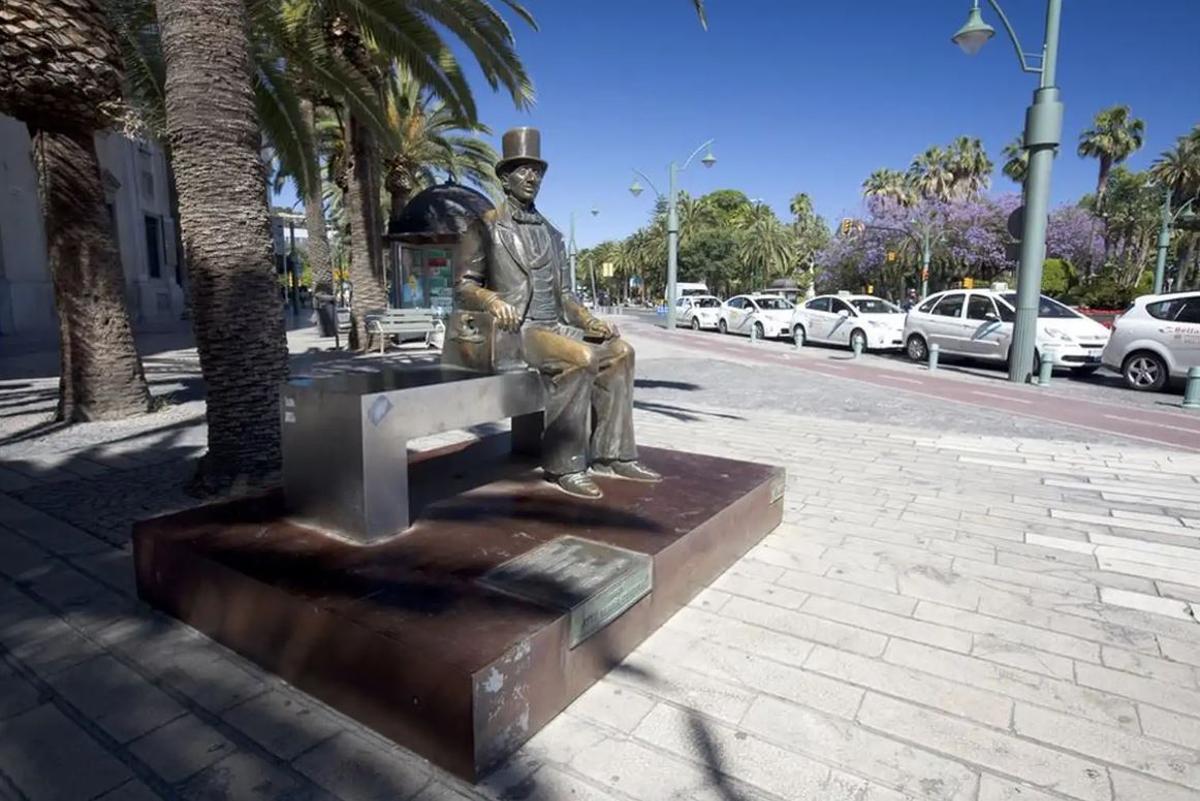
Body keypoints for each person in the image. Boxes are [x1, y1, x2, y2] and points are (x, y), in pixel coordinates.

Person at [454, 127, 661, 499]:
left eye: (538, 171)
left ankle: (612, 455)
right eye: (523, 170)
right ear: (505, 178)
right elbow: (463, 286)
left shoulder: (551, 233)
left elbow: (565, 294)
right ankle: (565, 464)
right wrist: (492, 301)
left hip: (554, 326)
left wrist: (589, 320)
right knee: (581, 358)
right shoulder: (484, 226)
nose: (533, 177)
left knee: (620, 352)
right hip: (518, 332)